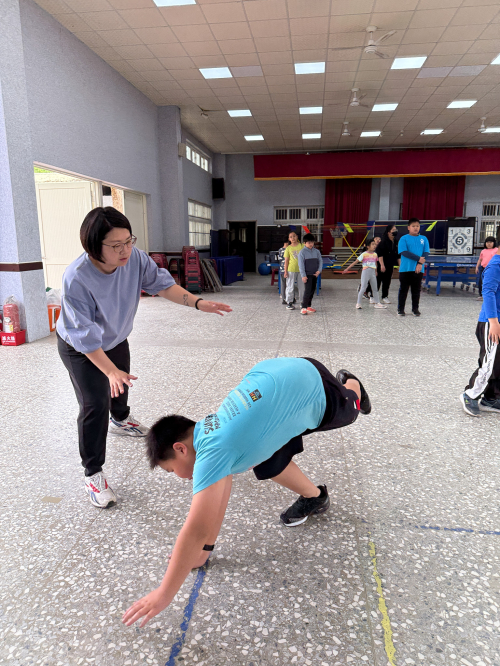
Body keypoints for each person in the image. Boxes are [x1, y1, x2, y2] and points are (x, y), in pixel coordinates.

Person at [121, 356, 371, 627]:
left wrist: (163, 594)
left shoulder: (212, 452)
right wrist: (203, 551)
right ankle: (315, 497)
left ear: (180, 449)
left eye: (172, 470)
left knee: (350, 410)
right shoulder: (208, 430)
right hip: (281, 374)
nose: (180, 477)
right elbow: (219, 494)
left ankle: (351, 384)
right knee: (269, 461)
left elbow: (195, 529)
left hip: (311, 384)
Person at [57, 207, 232, 509]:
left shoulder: (135, 258)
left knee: (122, 382)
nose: (125, 250)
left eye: (128, 241)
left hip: (115, 337)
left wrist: (197, 302)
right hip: (80, 346)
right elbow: (84, 336)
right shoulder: (77, 278)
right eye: (116, 245)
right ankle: (93, 473)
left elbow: (163, 285)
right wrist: (108, 370)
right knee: (94, 404)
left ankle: (121, 419)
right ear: (94, 246)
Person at [460, 245, 500, 416]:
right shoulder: (495, 266)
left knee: (497, 363)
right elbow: (488, 292)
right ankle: (470, 394)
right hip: (491, 322)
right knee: (489, 363)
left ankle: (490, 398)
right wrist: (494, 321)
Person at [397, 218, 429, 317]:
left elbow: (426, 252)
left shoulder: (424, 238)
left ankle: (415, 309)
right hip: (405, 268)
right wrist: (419, 259)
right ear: (408, 227)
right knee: (404, 290)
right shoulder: (404, 238)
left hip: (418, 269)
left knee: (416, 290)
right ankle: (400, 309)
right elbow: (404, 252)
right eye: (413, 226)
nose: (416, 228)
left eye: (417, 226)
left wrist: (419, 263)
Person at [343, 238, 387, 309]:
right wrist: (347, 269)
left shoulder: (375, 254)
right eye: (372, 244)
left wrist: (376, 271)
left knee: (375, 288)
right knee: (363, 288)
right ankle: (358, 303)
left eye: (375, 244)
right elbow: (356, 261)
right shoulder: (364, 254)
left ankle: (377, 303)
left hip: (372, 272)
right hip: (366, 272)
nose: (374, 246)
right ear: (368, 246)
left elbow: (375, 263)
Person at [298, 233, 323, 315]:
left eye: (312, 242)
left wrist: (319, 271)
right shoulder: (302, 252)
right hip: (307, 275)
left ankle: (308, 306)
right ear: (304, 243)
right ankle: (303, 307)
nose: (311, 244)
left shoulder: (317, 251)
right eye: (309, 242)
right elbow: (301, 265)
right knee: (307, 291)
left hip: (315, 274)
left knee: (312, 290)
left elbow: (320, 261)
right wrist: (303, 276)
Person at [375, 225, 400, 304]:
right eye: (393, 230)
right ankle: (373, 296)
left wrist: (400, 265)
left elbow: (398, 255)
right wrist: (382, 265)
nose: (395, 231)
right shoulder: (383, 242)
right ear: (389, 232)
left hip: (390, 265)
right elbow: (380, 254)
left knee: (387, 281)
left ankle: (385, 296)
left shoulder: (396, 242)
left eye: (395, 229)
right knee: (378, 280)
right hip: (381, 264)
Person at [283, 231, 304, 310]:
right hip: (291, 270)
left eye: (294, 236)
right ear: (289, 239)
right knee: (290, 286)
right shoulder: (288, 248)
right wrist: (285, 271)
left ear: (297, 237)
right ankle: (289, 302)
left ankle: (302, 302)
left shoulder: (302, 246)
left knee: (301, 287)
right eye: (291, 237)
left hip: (301, 270)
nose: (293, 238)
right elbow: (286, 261)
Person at [475, 236, 497, 301]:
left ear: (494, 243)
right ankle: (481, 295)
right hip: (483, 268)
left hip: (492, 268)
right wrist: (477, 267)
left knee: (491, 282)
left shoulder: (496, 250)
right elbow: (480, 259)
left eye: (491, 242)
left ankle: (491, 295)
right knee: (481, 281)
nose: (489, 244)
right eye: (487, 242)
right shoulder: (483, 251)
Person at [277, 239, 290, 305]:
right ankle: (290, 298)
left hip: (282, 268)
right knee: (289, 284)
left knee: (283, 284)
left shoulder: (280, 250)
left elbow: (279, 258)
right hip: (288, 269)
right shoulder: (289, 249)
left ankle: (284, 298)